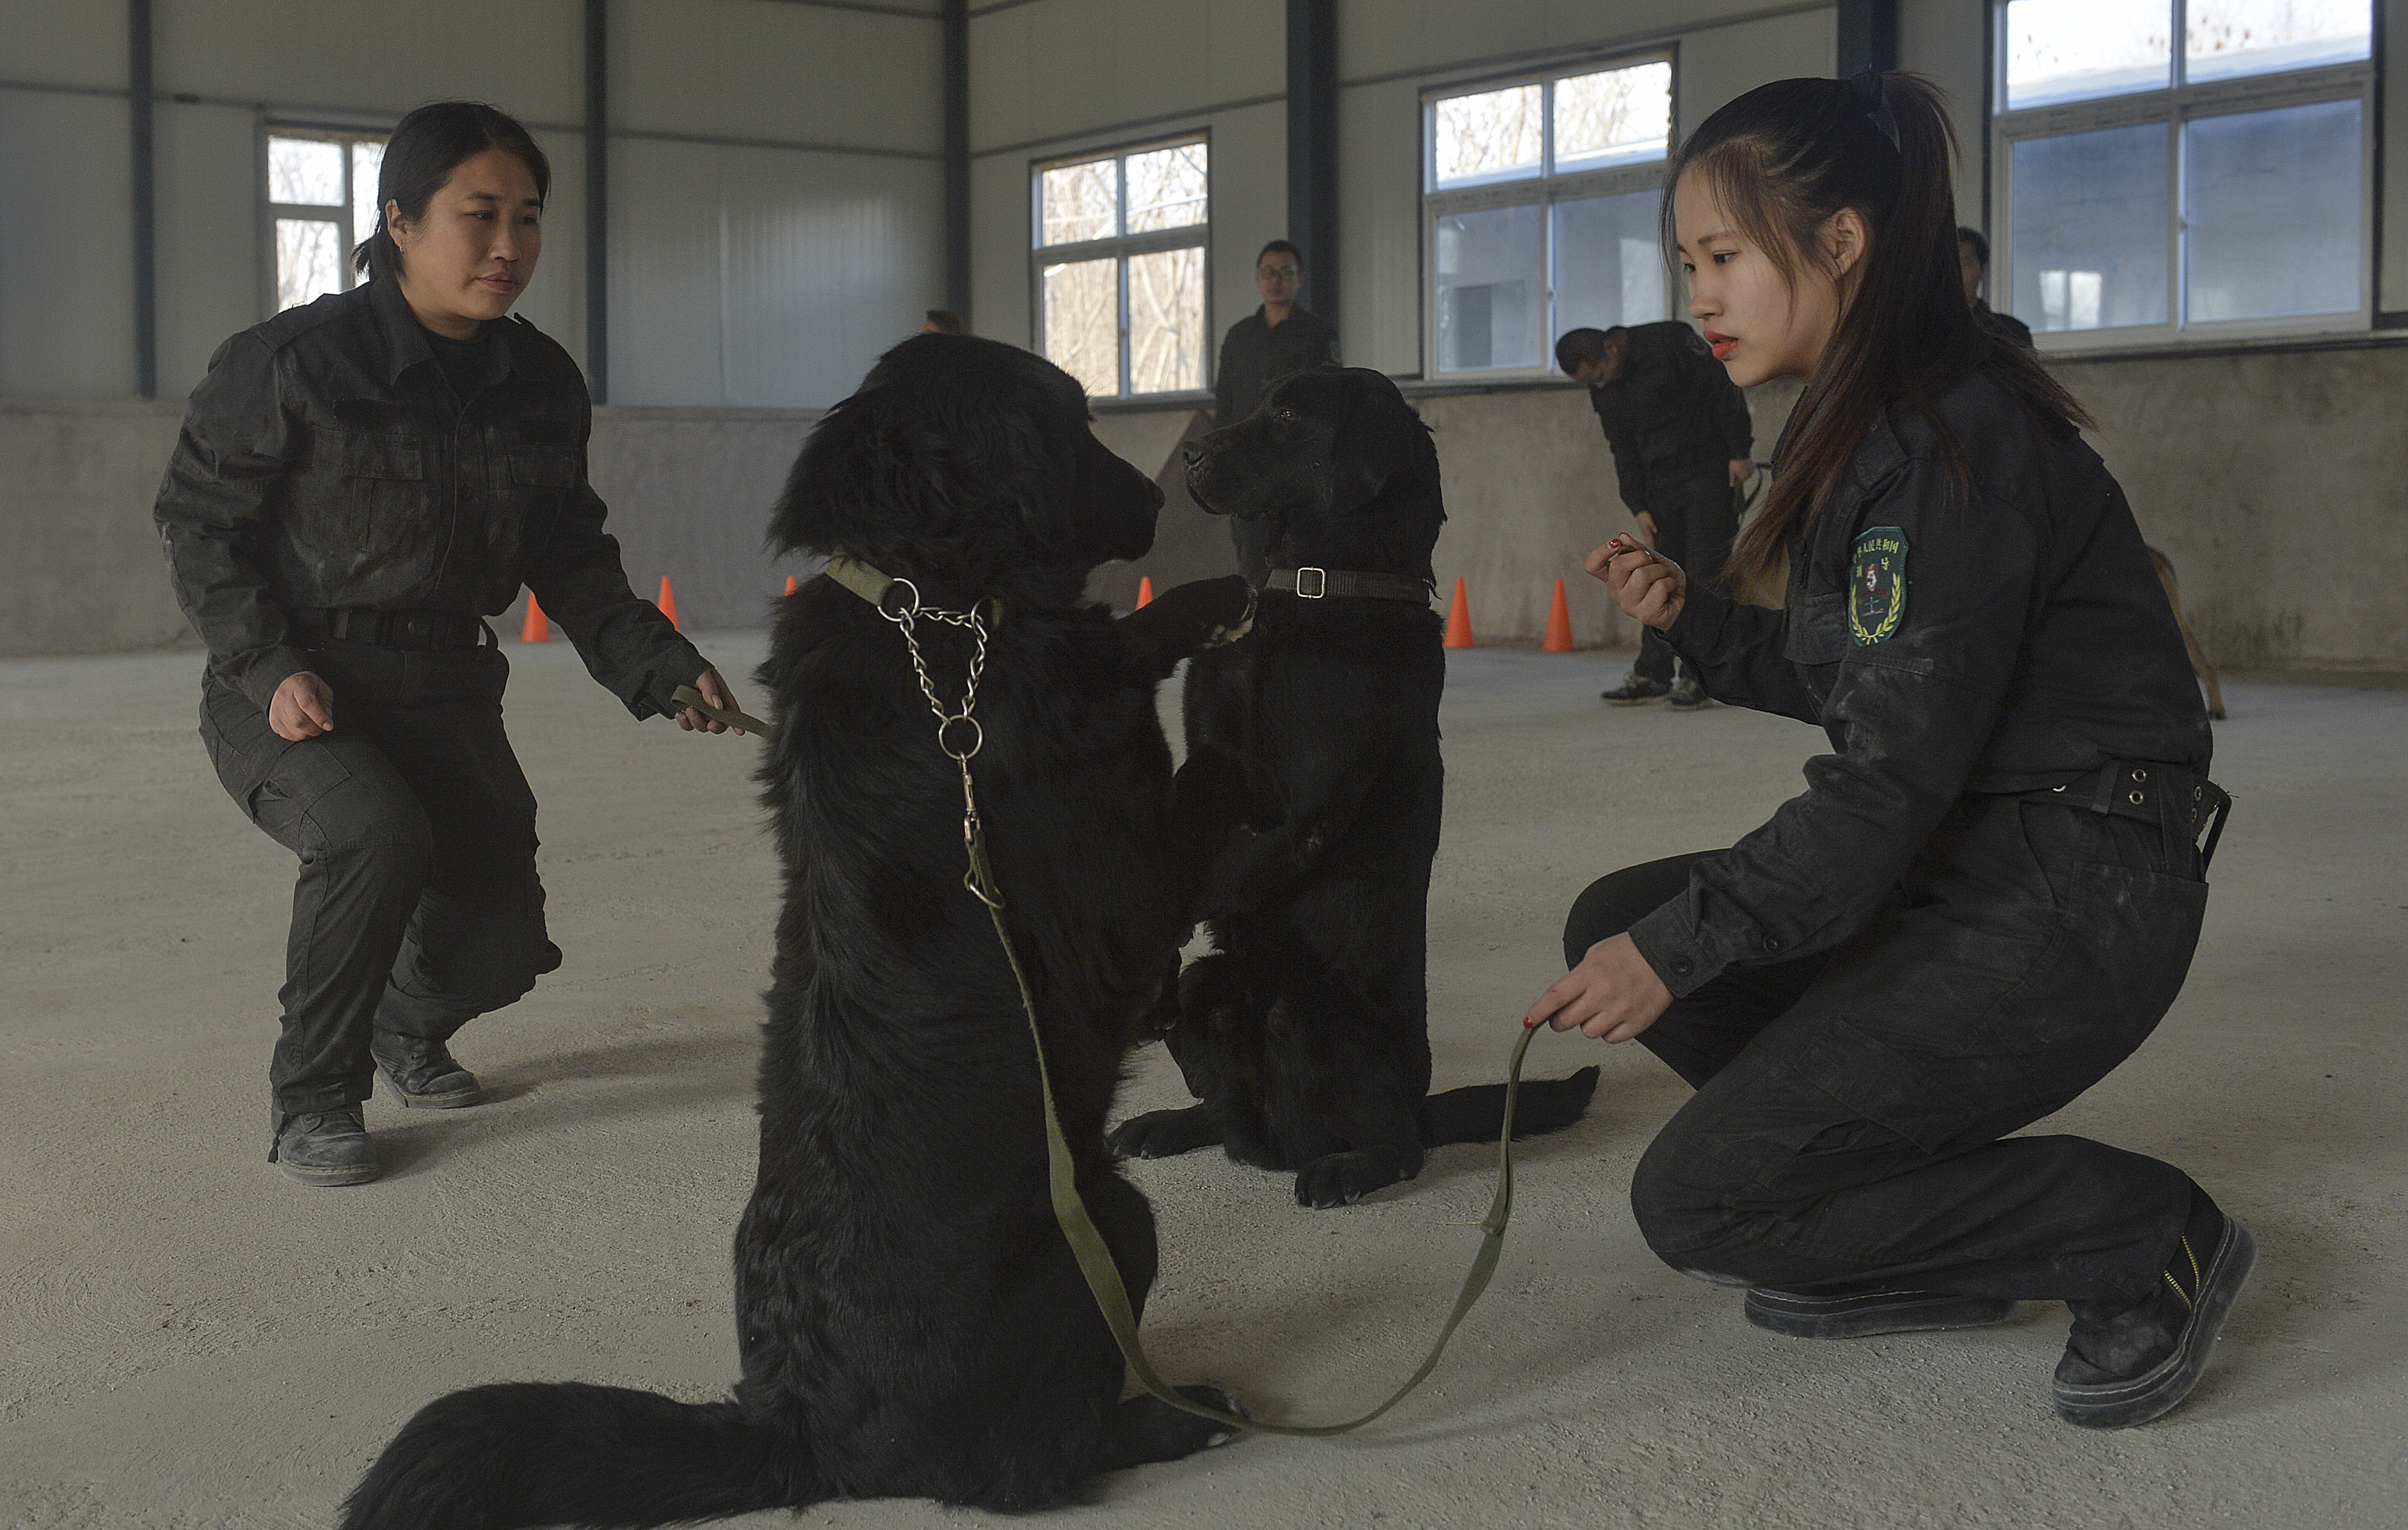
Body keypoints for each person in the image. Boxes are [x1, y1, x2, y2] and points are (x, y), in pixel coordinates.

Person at [1526, 72, 2249, 1431]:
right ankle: (1878, 1206)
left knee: (1695, 1194)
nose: (1699, 294)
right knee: (1615, 918)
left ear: (1842, 241)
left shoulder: (1941, 437)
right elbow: (1887, 694)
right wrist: (1697, 627)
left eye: (1726, 257)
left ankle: (2142, 1236)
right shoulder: (1881, 419)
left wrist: (1684, 946)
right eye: (1688, 262)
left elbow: (1885, 777)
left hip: (2074, 891)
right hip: (1990, 842)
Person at [154, 102, 746, 1188]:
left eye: (527, 218)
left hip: (445, 684)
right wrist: (266, 663)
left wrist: (660, 666)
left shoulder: (539, 381)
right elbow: (200, 526)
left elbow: (572, 555)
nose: (509, 246)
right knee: (373, 837)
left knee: (502, 944)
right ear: (401, 220)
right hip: (292, 678)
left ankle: (400, 1026)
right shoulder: (291, 362)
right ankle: (314, 1100)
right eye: (480, 215)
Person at [1555, 323, 1754, 709]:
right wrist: (1638, 506)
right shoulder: (1605, 387)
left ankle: (1701, 676)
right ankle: (1653, 672)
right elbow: (1621, 447)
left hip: (1708, 471)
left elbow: (1723, 387)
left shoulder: (1670, 342)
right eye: (1589, 383)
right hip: (1659, 486)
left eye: (1598, 376)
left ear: (1611, 349)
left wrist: (1738, 450)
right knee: (1655, 576)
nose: (1598, 387)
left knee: (1707, 574)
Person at [1213, 239, 1338, 581]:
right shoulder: (1239, 337)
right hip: (1247, 470)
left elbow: (1328, 402)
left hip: (1295, 470)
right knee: (1252, 560)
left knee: (1299, 560)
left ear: (1300, 280)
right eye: (1269, 272)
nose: (1276, 280)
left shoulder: (1317, 335)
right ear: (1257, 279)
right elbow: (1224, 403)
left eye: (1286, 272)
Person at [1957, 225, 2034, 349]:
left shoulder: (2011, 332)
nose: (1958, 272)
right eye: (1951, 263)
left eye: (1966, 263)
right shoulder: (1923, 330)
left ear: (1981, 270)